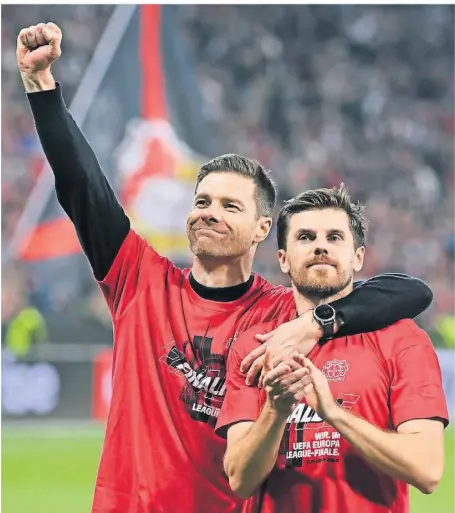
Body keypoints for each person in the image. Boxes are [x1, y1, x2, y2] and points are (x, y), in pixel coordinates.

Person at [17, 23, 433, 513]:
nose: (209, 212)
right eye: (202, 201)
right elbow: (82, 185)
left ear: (262, 229)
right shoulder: (140, 280)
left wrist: (317, 324)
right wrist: (41, 87)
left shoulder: (282, 314)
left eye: (230, 206)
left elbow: (408, 292)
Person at [218, 185, 448, 513]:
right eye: (306, 237)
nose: (320, 247)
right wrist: (276, 410)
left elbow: (426, 470)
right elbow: (240, 479)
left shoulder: (402, 339)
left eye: (335, 237)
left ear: (358, 258)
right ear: (283, 259)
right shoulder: (256, 346)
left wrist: (334, 413)